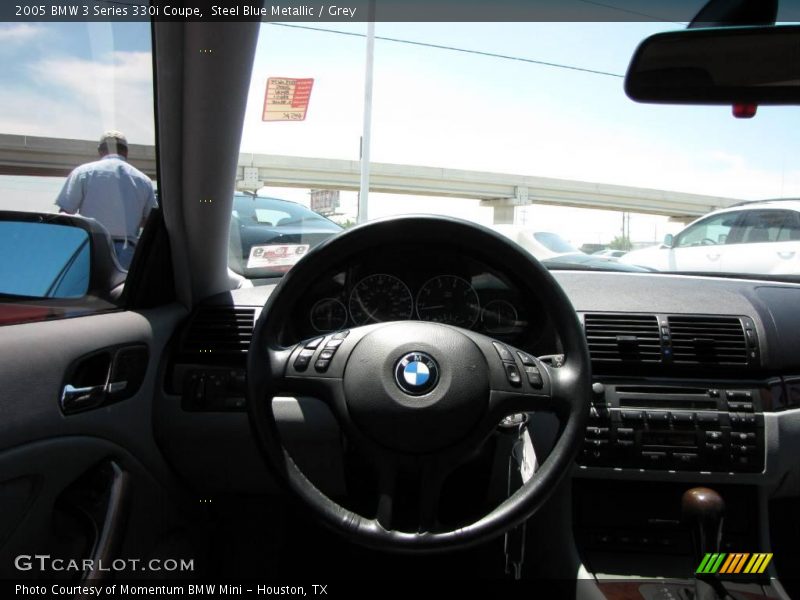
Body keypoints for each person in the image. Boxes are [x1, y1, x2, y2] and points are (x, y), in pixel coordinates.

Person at [55, 130, 157, 269]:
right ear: (126, 152)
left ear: (100, 151)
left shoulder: (82, 172)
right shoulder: (143, 180)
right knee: (123, 290)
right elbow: (151, 221)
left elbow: (65, 215)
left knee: (89, 290)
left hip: (92, 247)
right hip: (128, 252)